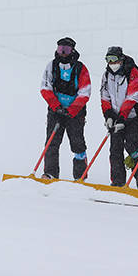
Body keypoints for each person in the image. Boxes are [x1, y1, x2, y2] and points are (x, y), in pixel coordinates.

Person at [39, 37, 91, 180]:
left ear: (72, 50)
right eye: (60, 49)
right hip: (56, 111)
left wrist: (72, 110)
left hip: (75, 113)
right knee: (51, 141)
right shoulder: (52, 66)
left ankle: (80, 176)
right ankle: (50, 173)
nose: (62, 53)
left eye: (66, 50)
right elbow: (45, 87)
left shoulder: (80, 68)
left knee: (77, 143)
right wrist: (56, 106)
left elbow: (85, 91)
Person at [100, 46, 138, 189]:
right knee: (115, 149)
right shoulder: (107, 75)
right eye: (108, 60)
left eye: (114, 60)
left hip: (132, 117)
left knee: (131, 147)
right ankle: (118, 182)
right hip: (115, 117)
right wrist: (108, 115)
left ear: (121, 59)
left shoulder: (133, 73)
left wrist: (122, 117)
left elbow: (133, 97)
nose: (111, 63)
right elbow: (104, 96)